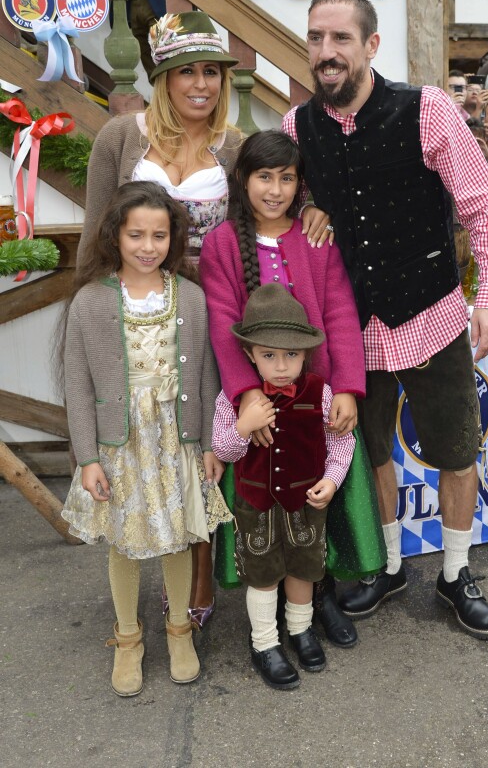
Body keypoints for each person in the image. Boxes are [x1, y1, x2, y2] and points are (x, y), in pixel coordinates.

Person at [78, 11, 331, 630]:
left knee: (202, 447)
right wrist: (88, 316)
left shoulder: (235, 144)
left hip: (213, 310)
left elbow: (275, 198)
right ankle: (147, 578)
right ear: (163, 77)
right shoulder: (121, 136)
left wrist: (317, 209)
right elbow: (96, 232)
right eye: (186, 72)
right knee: (146, 449)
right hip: (138, 310)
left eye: (212, 73)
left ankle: (202, 582)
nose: (201, 84)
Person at [282, 0, 488, 640]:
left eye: (340, 39)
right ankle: (387, 566)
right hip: (352, 325)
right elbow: (270, 203)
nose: (326, 52)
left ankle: (456, 572)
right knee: (373, 450)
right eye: (316, 39)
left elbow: (484, 211)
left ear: (371, 45)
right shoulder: (296, 129)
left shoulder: (428, 111)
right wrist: (304, 212)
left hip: (432, 312)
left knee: (456, 449)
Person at [199, 130, 387, 648]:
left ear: (300, 184)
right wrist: (245, 395)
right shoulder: (221, 245)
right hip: (262, 402)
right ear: (243, 180)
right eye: (265, 177)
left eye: (287, 178)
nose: (276, 189)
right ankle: (271, 613)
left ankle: (317, 597)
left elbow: (340, 314)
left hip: (316, 397)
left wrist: (347, 387)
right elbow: (222, 322)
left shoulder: (314, 238)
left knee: (317, 502)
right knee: (269, 509)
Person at [61, 181, 232, 697]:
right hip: (123, 445)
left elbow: (206, 376)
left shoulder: (192, 297)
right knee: (127, 543)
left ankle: (180, 629)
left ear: (173, 238)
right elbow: (77, 382)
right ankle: (128, 637)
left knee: (179, 536)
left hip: (175, 439)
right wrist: (87, 456)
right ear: (115, 235)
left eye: (159, 235)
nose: (147, 246)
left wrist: (208, 446)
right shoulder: (91, 302)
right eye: (136, 234)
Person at [212, 284, 357, 689]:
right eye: (269, 355)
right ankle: (264, 643)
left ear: (305, 354)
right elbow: (224, 448)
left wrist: (331, 480)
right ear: (249, 355)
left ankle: (300, 629)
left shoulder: (320, 393)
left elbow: (342, 443)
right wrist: (244, 426)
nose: (280, 366)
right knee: (263, 574)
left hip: (305, 505)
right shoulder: (235, 399)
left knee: (303, 570)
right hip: (256, 505)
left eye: (291, 355)